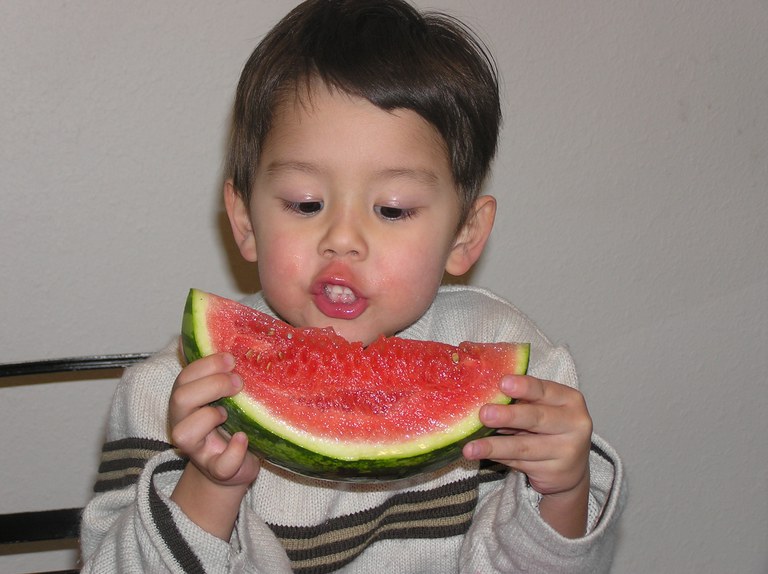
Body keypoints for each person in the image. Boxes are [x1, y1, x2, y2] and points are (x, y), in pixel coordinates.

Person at [80, 0, 626, 572]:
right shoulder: (168, 398)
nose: (343, 238)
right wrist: (207, 490)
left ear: (465, 236)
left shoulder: (521, 380)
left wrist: (562, 494)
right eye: (305, 203)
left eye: (392, 209)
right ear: (245, 222)